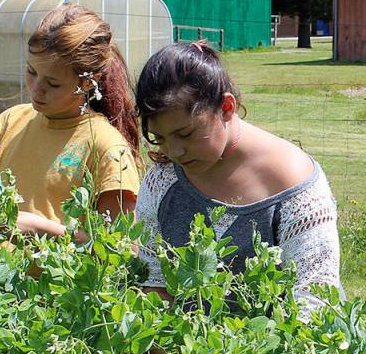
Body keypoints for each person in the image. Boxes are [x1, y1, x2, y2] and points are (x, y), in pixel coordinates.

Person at [133, 40, 341, 314]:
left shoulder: (293, 182)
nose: (174, 151)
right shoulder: (162, 181)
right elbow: (154, 285)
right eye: (159, 138)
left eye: (185, 134)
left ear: (227, 108)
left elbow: (315, 301)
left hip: (280, 353)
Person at [0, 4, 142, 239]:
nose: (37, 89)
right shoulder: (9, 122)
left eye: (53, 83)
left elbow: (121, 250)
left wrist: (42, 230)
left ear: (88, 82)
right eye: (31, 72)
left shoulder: (106, 147)